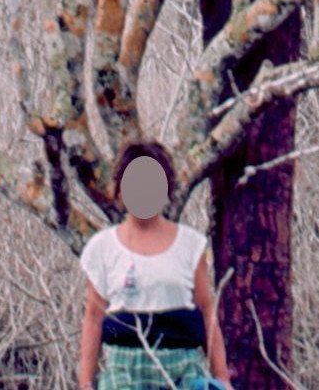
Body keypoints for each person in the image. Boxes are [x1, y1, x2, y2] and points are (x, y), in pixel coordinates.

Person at [77, 140, 234, 390]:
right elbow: (93, 318)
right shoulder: (102, 247)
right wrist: (85, 383)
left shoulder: (190, 245)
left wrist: (222, 377)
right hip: (124, 369)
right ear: (120, 190)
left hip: (182, 366)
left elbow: (206, 310)